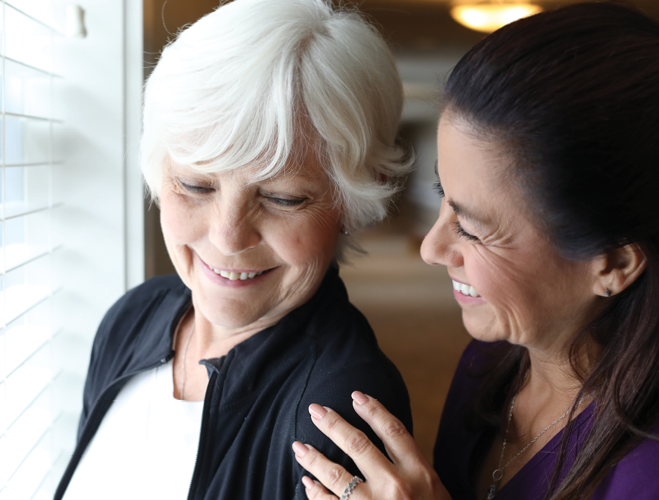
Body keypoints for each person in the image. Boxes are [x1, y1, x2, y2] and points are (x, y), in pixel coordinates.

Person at [292, 3, 659, 500]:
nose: (431, 248)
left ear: (613, 264)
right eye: (444, 197)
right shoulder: (488, 360)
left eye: (472, 229)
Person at [54, 1, 414, 499]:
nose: (227, 237)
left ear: (350, 204)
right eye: (196, 185)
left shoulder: (338, 412)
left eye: (282, 197)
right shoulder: (131, 318)